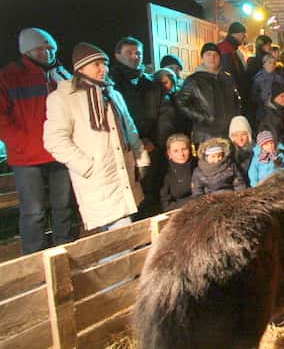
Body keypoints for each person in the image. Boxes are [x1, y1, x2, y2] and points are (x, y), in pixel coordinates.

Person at [43, 42, 150, 231]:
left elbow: (129, 129)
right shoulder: (64, 97)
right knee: (122, 234)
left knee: (118, 234)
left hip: (123, 174)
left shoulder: (112, 94)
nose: (104, 69)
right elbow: (54, 140)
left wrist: (140, 158)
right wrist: (87, 166)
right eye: (97, 64)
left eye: (105, 64)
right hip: (98, 178)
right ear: (81, 68)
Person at [0, 27, 75, 254]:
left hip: (59, 153)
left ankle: (64, 250)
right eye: (40, 49)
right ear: (26, 51)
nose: (47, 53)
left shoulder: (62, 75)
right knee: (33, 211)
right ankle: (34, 257)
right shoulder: (8, 77)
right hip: (27, 158)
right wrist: (23, 143)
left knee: (63, 206)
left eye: (50, 48)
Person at [110, 36, 169, 212]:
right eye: (129, 53)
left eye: (138, 53)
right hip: (126, 147)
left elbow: (163, 115)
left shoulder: (152, 84)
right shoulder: (111, 85)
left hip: (152, 146)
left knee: (154, 191)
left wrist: (155, 141)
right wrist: (135, 142)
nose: (135, 57)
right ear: (117, 55)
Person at [177, 43, 241, 145]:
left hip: (229, 132)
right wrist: (202, 117)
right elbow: (181, 103)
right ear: (202, 58)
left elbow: (236, 101)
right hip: (206, 134)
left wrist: (236, 119)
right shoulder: (193, 80)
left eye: (215, 55)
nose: (212, 58)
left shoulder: (227, 78)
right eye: (208, 54)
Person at [159, 133, 195, 212]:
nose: (181, 154)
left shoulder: (198, 165)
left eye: (184, 149)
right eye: (176, 151)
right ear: (169, 154)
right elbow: (165, 203)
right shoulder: (166, 172)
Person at [252, 54, 284, 122]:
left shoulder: (279, 78)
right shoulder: (258, 79)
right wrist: (264, 102)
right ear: (264, 65)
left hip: (279, 109)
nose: (272, 65)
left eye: (274, 63)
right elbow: (254, 95)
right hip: (263, 110)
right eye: (269, 63)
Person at [228, 115, 254, 185]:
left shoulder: (258, 151)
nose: (240, 139)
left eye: (243, 134)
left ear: (248, 134)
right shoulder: (229, 154)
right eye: (235, 135)